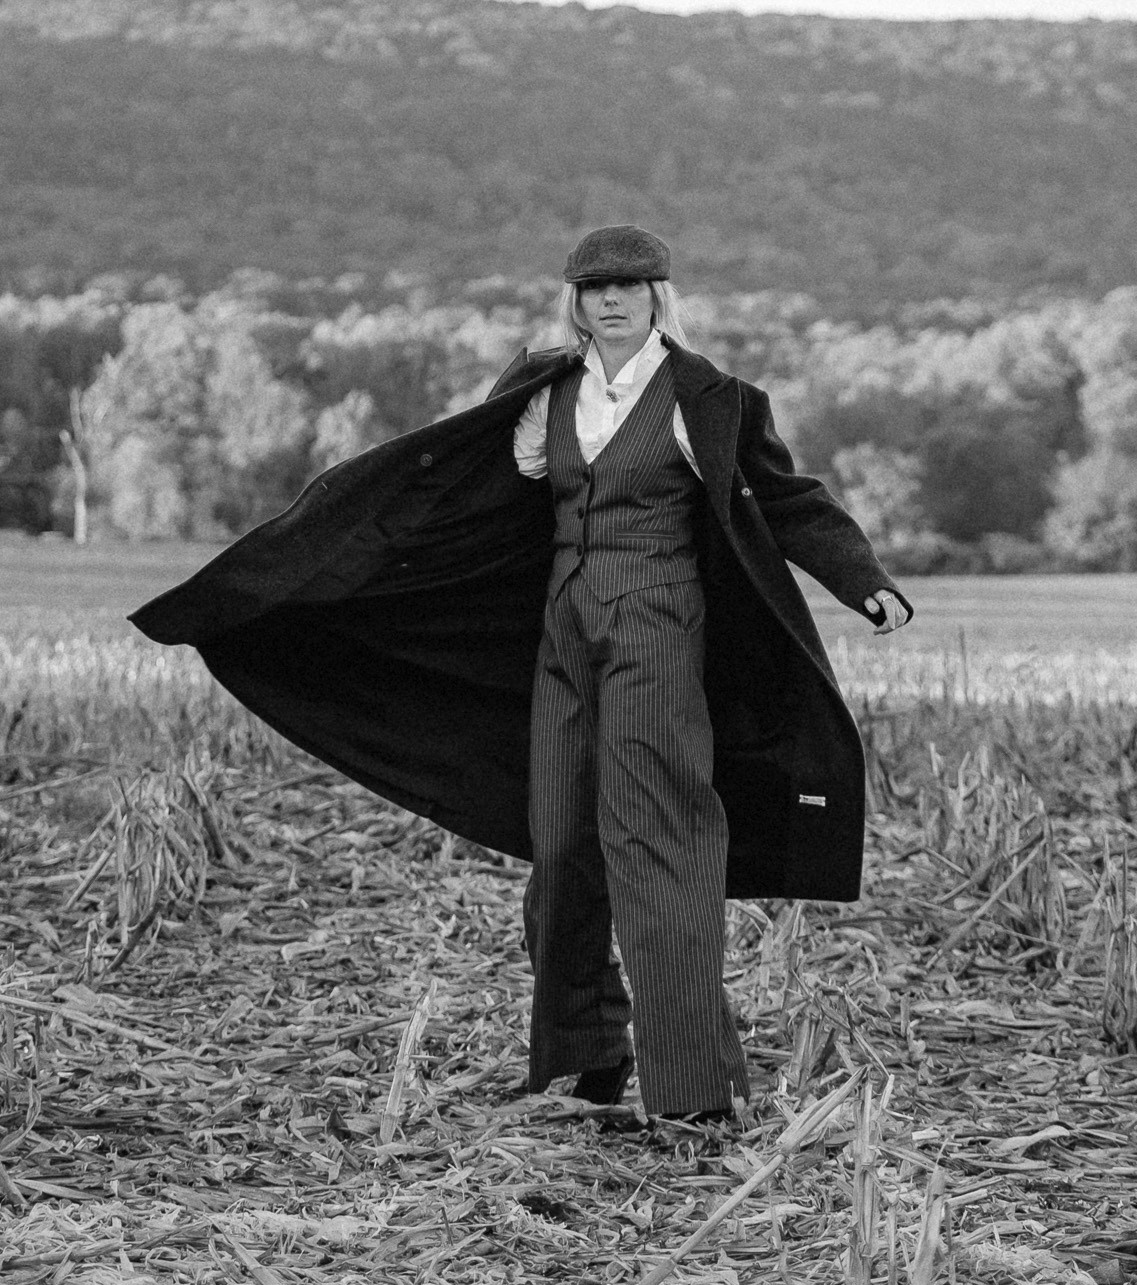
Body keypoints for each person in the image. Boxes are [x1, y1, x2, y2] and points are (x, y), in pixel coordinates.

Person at [131, 224, 911, 1126]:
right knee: (564, 844)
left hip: (660, 628)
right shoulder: (547, 393)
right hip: (562, 630)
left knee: (659, 843)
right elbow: (467, 489)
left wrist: (865, 583)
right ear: (573, 300)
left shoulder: (713, 400)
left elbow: (787, 501)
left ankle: (698, 1093)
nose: (609, 301)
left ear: (662, 295)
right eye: (592, 289)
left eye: (628, 286)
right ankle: (582, 1061)